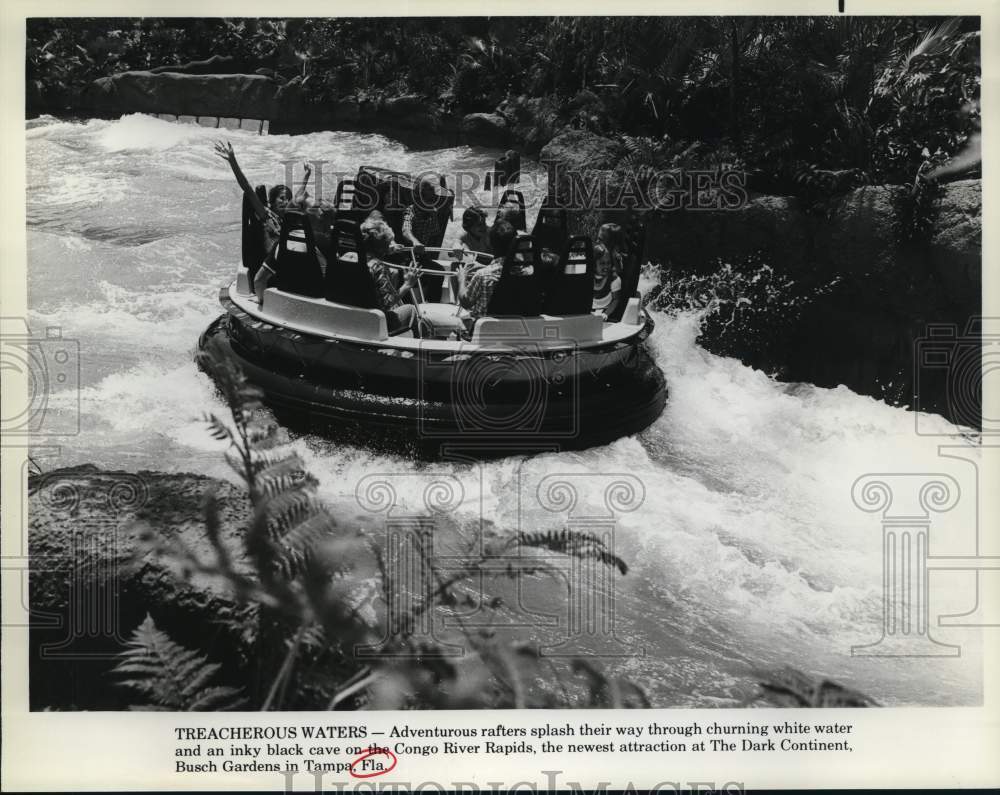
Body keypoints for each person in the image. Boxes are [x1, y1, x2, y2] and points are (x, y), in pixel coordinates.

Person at [361, 217, 420, 336]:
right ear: (382, 246)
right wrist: (407, 284)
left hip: (353, 316)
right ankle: (415, 349)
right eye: (388, 243)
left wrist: (389, 249)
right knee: (410, 309)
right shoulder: (377, 267)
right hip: (374, 322)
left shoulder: (348, 257)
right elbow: (387, 303)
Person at [455, 220, 518, 321]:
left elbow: (465, 302)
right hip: (514, 324)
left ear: (492, 245)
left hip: (484, 327)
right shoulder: (527, 272)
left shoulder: (483, 275)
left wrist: (461, 278)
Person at [401, 176, 446, 302]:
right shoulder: (410, 211)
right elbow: (406, 230)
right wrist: (415, 242)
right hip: (409, 257)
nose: (429, 201)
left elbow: (434, 235)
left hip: (423, 258)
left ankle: (433, 305)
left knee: (439, 272)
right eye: (426, 198)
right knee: (414, 277)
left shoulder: (433, 213)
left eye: (431, 198)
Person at [592, 223, 626, 319]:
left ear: (611, 243)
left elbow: (618, 273)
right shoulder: (599, 251)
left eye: (601, 239)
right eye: (597, 238)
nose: (597, 241)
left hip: (610, 296)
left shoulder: (615, 257)